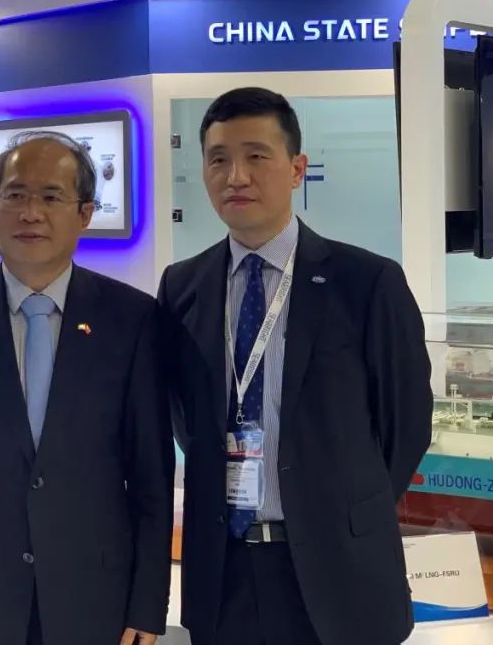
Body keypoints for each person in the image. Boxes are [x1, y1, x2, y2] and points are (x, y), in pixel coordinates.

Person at [158, 88, 433, 645]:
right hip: (225, 575)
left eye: (256, 156)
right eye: (218, 159)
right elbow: (185, 418)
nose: (236, 176)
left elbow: (405, 427)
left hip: (340, 570)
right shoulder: (182, 286)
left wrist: (341, 508)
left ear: (296, 169)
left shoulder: (366, 283)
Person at [0, 133, 174, 645]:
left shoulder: (131, 319)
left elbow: (151, 475)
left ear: (85, 214)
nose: (31, 213)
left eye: (51, 197)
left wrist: (148, 604)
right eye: (16, 195)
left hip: (94, 598)